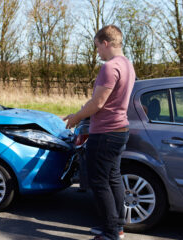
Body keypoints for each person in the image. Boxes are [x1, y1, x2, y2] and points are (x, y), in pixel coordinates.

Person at [64, 25, 135, 240]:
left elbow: (98, 103)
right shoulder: (128, 65)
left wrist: (76, 118)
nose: (97, 52)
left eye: (97, 47)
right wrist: (78, 112)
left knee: (99, 181)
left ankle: (111, 233)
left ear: (106, 43)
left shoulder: (109, 67)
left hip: (105, 132)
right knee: (113, 178)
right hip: (120, 129)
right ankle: (116, 226)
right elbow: (101, 100)